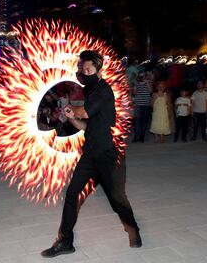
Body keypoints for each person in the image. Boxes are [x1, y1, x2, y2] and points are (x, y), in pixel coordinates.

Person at [41, 50, 141, 258]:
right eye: (82, 69)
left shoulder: (104, 91)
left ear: (99, 70)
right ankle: (65, 241)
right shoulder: (92, 91)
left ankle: (134, 229)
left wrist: (73, 109)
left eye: (88, 70)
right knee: (71, 194)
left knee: (117, 200)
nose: (84, 73)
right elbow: (87, 125)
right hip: (90, 155)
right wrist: (71, 118)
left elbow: (85, 112)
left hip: (108, 156)